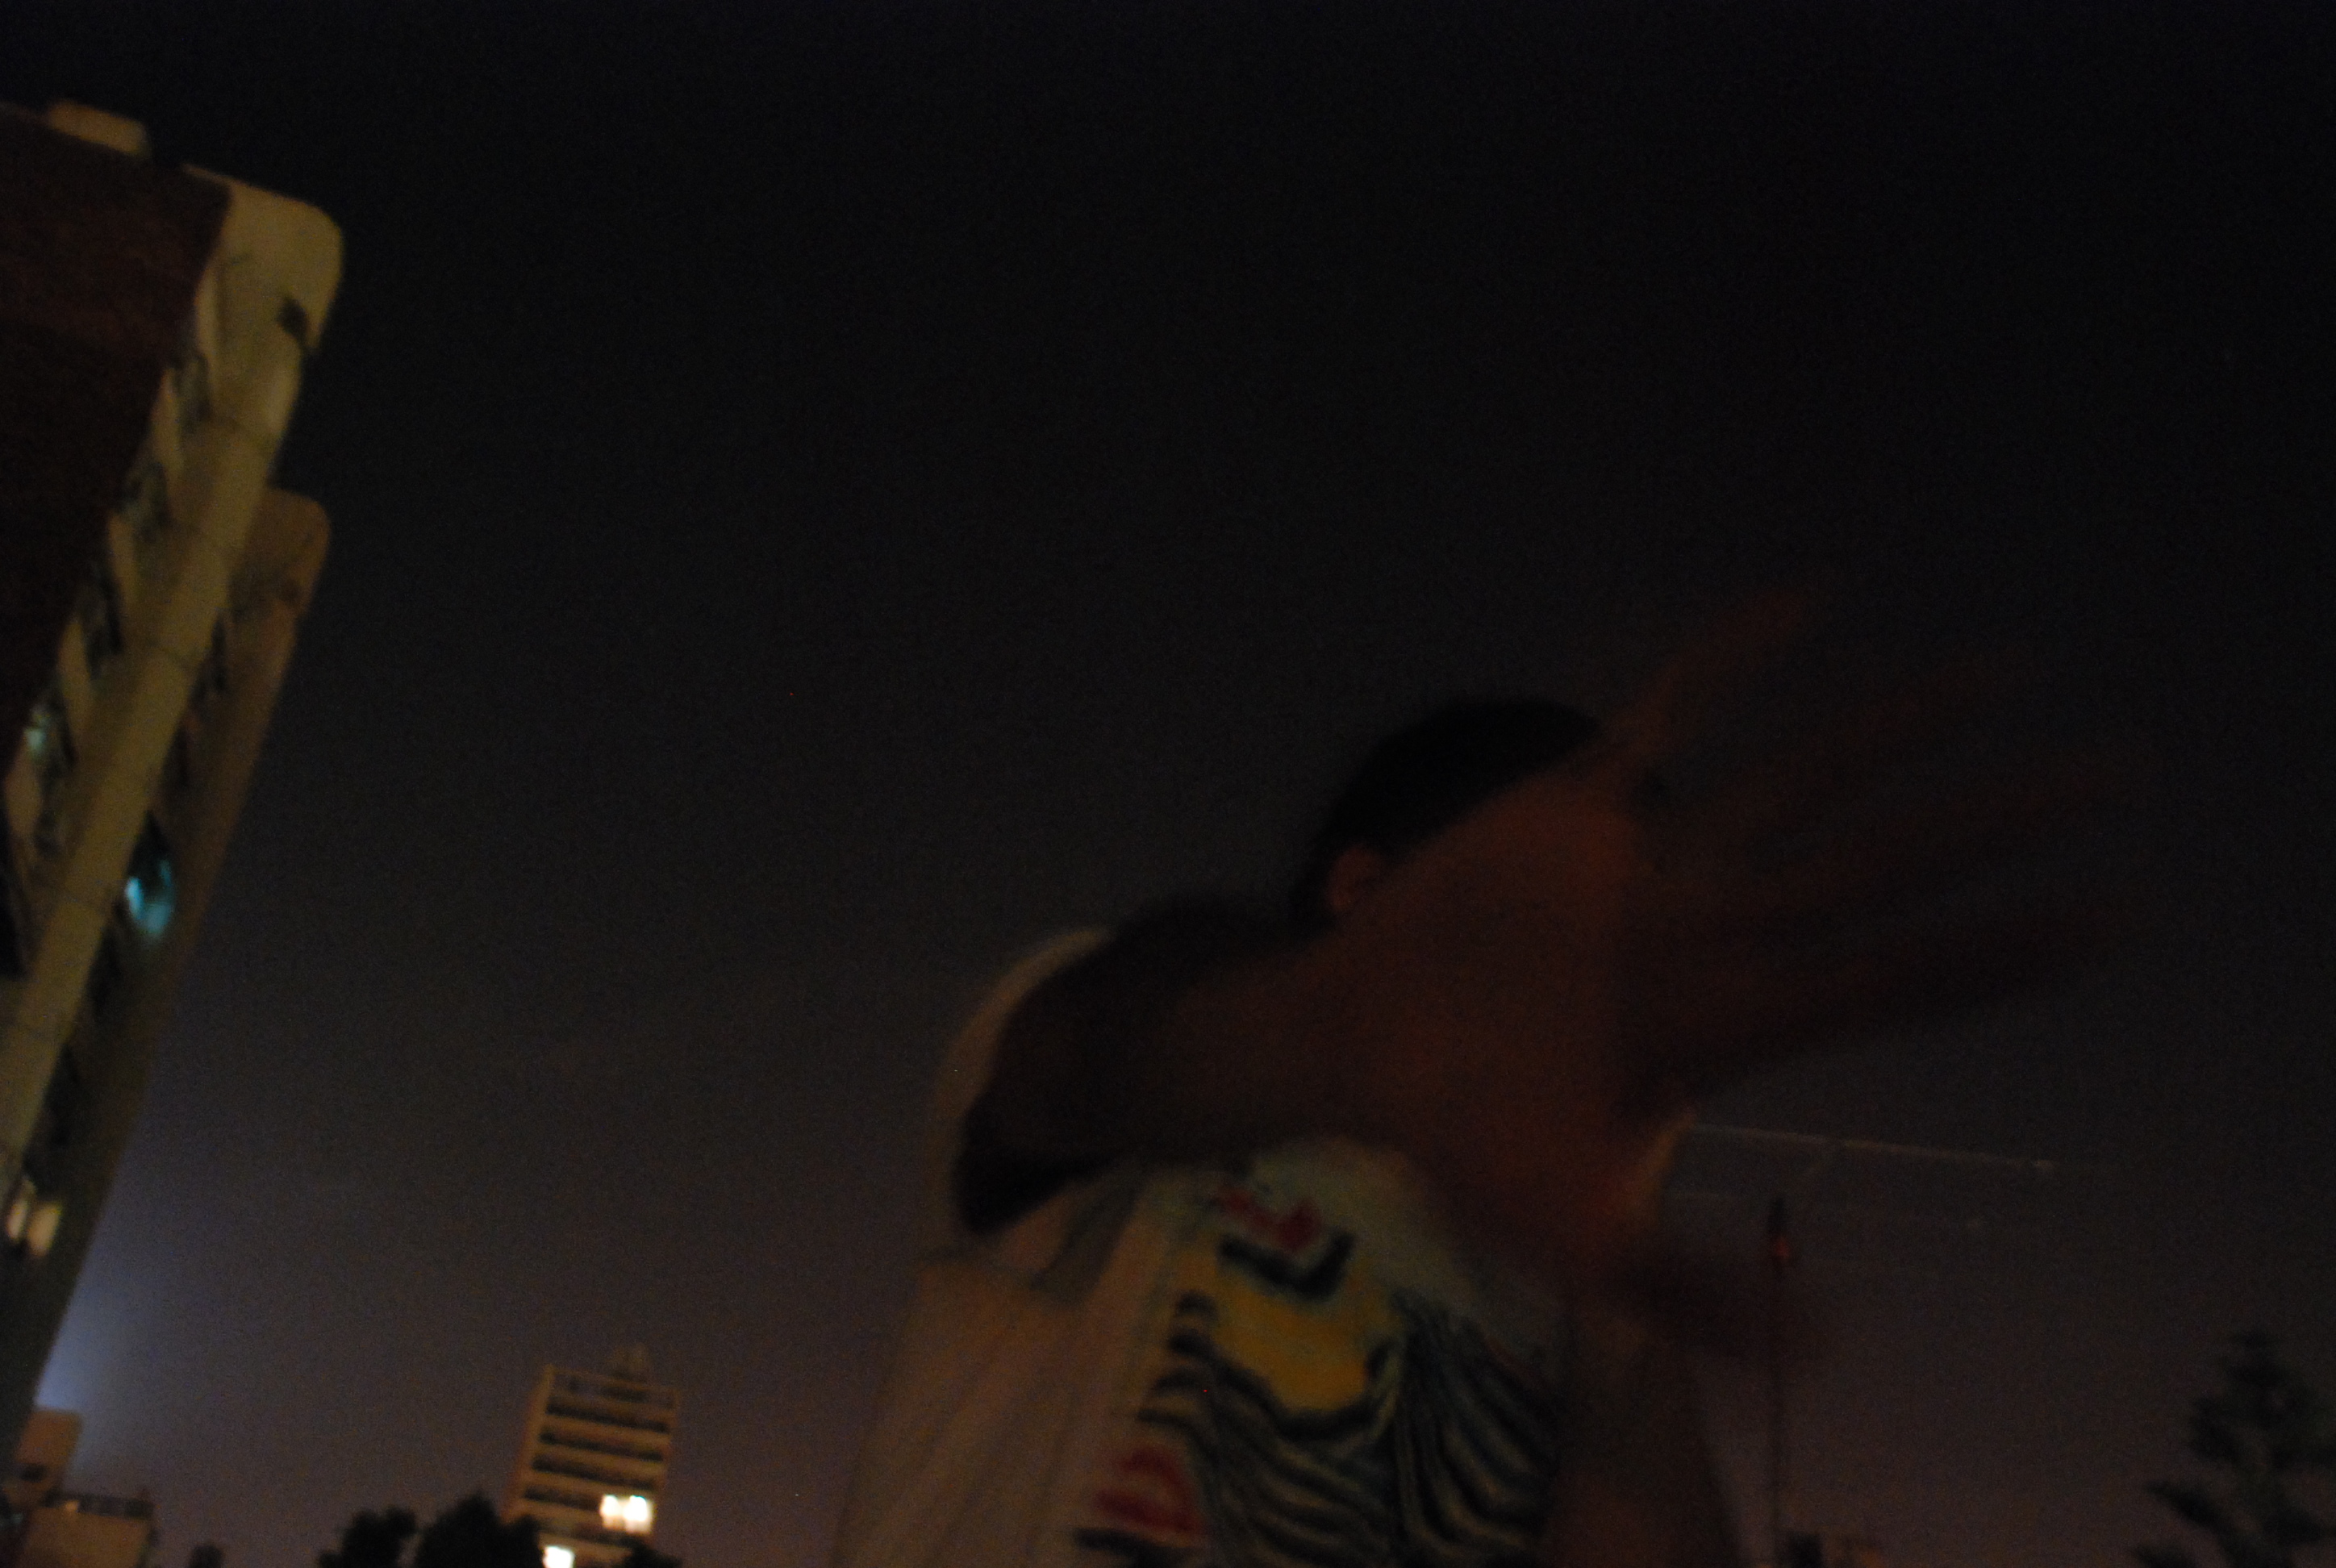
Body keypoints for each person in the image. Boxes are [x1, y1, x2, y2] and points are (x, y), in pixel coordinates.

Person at [834, 599, 2105, 1568]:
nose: (1586, 983)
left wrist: (1616, 1225)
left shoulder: (1559, 1301)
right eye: (1540, 927)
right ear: (1363, 888)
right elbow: (1085, 1064)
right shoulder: (1168, 1103)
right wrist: (1333, 1019)